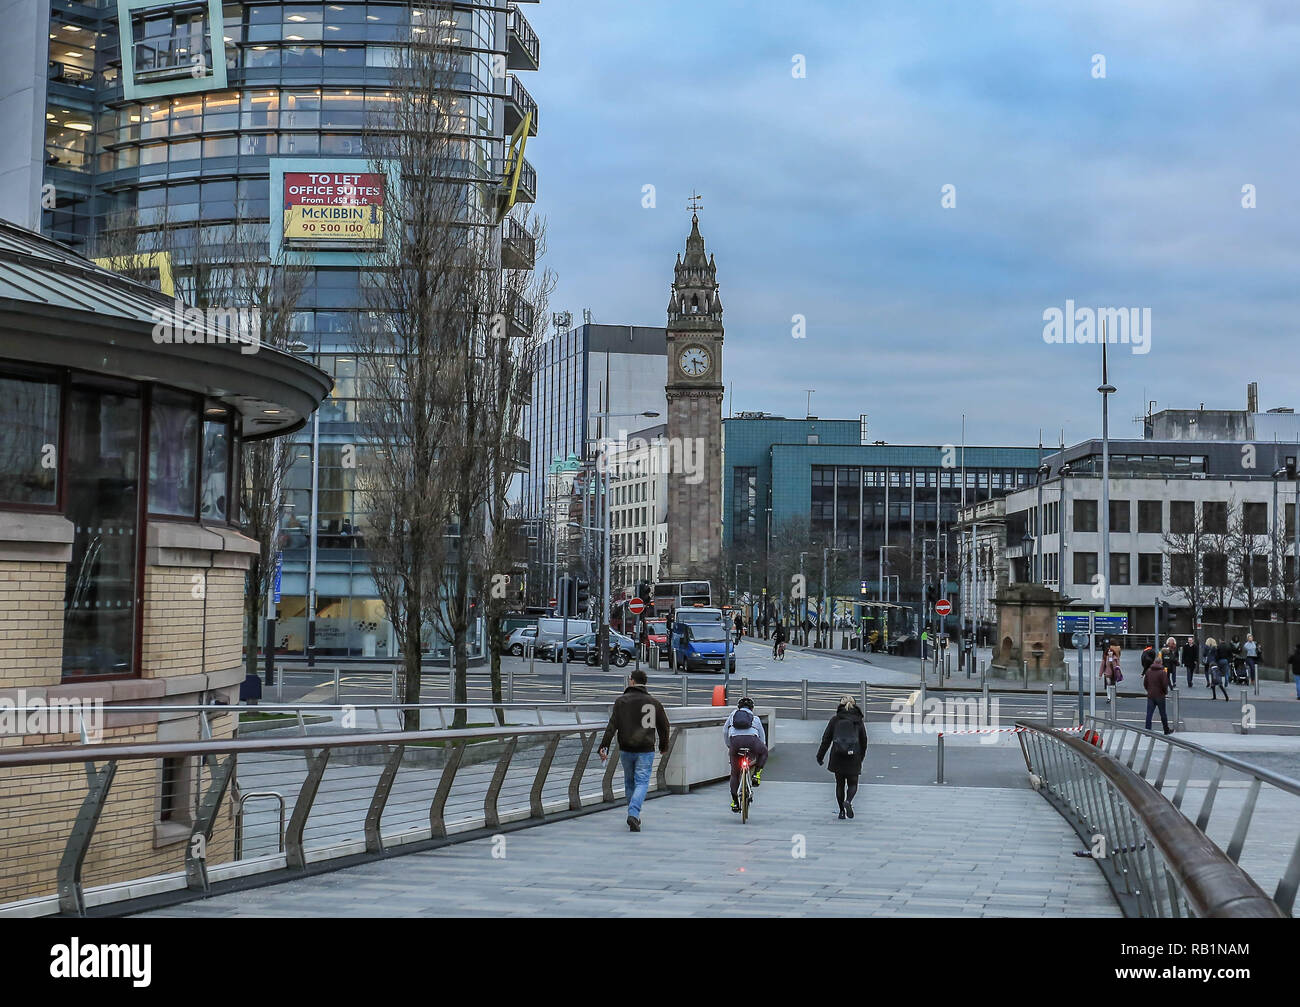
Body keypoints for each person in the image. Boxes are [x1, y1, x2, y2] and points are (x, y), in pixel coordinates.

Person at [598, 669, 670, 832]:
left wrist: (604, 746)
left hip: (626, 748)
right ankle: (634, 813)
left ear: (631, 681)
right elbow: (664, 726)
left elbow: (612, 726)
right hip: (646, 748)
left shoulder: (621, 701)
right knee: (642, 782)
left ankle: (633, 814)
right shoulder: (654, 702)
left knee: (629, 782)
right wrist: (663, 745)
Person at [816, 696, 868, 819]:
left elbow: (826, 739)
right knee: (853, 783)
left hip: (837, 755)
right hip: (853, 755)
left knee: (840, 784)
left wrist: (820, 756)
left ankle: (841, 812)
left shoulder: (835, 720)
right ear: (854, 705)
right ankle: (848, 801)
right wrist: (861, 756)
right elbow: (864, 740)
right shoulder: (858, 721)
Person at [723, 698, 769, 813]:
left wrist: (729, 745)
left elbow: (725, 730)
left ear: (739, 707)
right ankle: (756, 774)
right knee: (764, 752)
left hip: (735, 743)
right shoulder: (755, 718)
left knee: (734, 773)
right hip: (752, 741)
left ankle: (734, 801)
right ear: (752, 708)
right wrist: (760, 749)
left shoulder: (733, 715)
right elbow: (762, 737)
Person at [1141, 646, 1173, 734]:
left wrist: (1148, 690)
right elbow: (1164, 684)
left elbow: (1145, 683)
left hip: (1151, 695)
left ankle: (1147, 730)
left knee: (1149, 713)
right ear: (1161, 663)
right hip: (1160, 695)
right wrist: (1165, 692)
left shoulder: (1149, 671)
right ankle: (1166, 730)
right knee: (1163, 714)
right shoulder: (1162, 672)